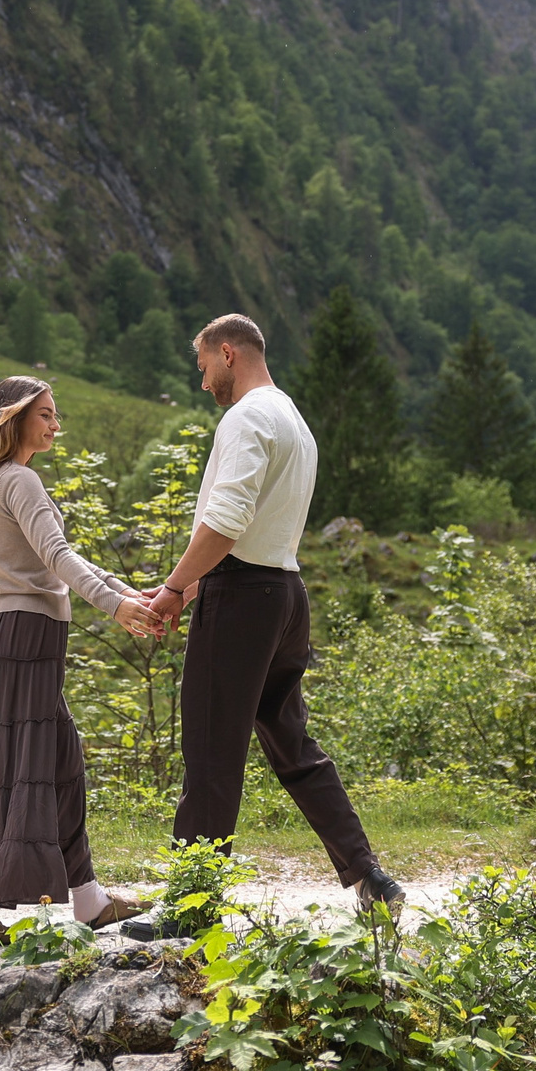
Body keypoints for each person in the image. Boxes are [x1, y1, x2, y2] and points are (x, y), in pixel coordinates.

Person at [143, 313, 408, 913]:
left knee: (212, 748)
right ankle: (368, 875)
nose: (204, 380)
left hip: (239, 598)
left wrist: (174, 588)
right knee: (292, 743)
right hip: (286, 594)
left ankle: (192, 905)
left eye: (204, 364)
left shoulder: (246, 418)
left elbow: (226, 523)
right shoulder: (294, 420)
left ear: (229, 353)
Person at [0, 374, 165, 949]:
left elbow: (52, 563)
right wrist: (117, 605)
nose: (54, 423)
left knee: (24, 759)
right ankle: (0, 912)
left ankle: (78, 898)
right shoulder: (21, 480)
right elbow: (58, 557)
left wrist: (124, 590)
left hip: (2, 635)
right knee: (33, 761)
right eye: (45, 413)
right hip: (26, 637)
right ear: (15, 418)